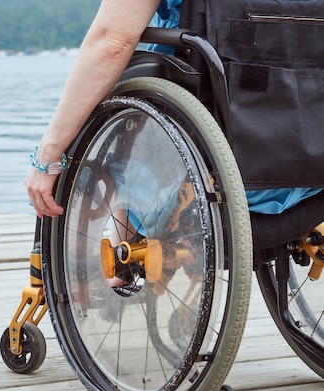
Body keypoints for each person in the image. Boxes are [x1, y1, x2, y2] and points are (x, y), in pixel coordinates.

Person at [25, 0, 322, 225]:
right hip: (312, 166)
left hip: (208, 174)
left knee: (129, 82)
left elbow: (112, 43)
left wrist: (48, 154)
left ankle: (104, 275)